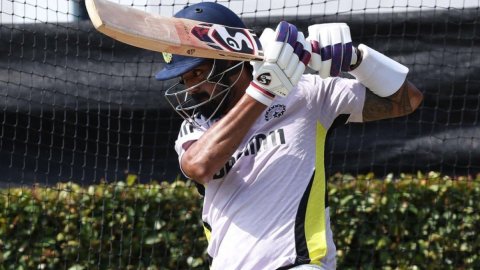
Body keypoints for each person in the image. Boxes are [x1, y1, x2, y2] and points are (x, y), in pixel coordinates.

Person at [155, 2, 423, 270]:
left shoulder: (307, 94)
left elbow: (408, 101)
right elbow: (199, 165)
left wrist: (356, 59)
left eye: (198, 73)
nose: (191, 89)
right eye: (185, 79)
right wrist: (266, 89)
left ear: (233, 59)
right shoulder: (196, 128)